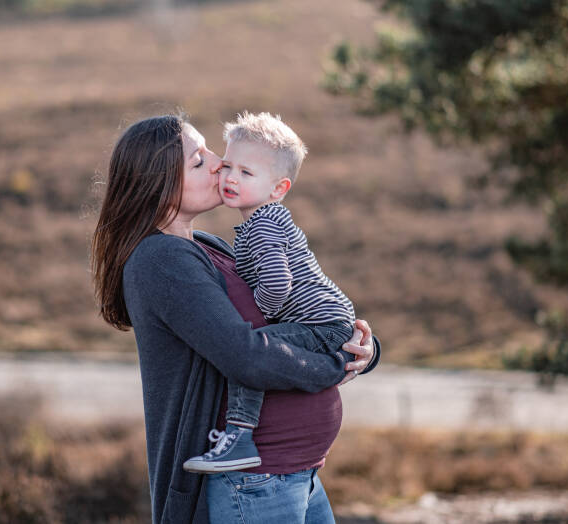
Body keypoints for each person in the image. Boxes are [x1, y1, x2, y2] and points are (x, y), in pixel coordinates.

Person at [91, 114, 381, 524]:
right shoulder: (161, 260)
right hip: (252, 483)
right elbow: (246, 355)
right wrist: (336, 366)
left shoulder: (208, 246)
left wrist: (361, 349)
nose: (218, 164)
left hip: (296, 474)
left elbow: (293, 315)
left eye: (211, 150)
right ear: (157, 184)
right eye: (198, 160)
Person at [183, 112, 358, 475]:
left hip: (322, 323)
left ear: (278, 189)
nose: (230, 178)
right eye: (228, 166)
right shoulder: (258, 223)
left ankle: (240, 437)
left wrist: (262, 314)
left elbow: (278, 284)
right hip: (328, 319)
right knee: (256, 348)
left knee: (255, 349)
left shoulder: (263, 224)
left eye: (246, 173)